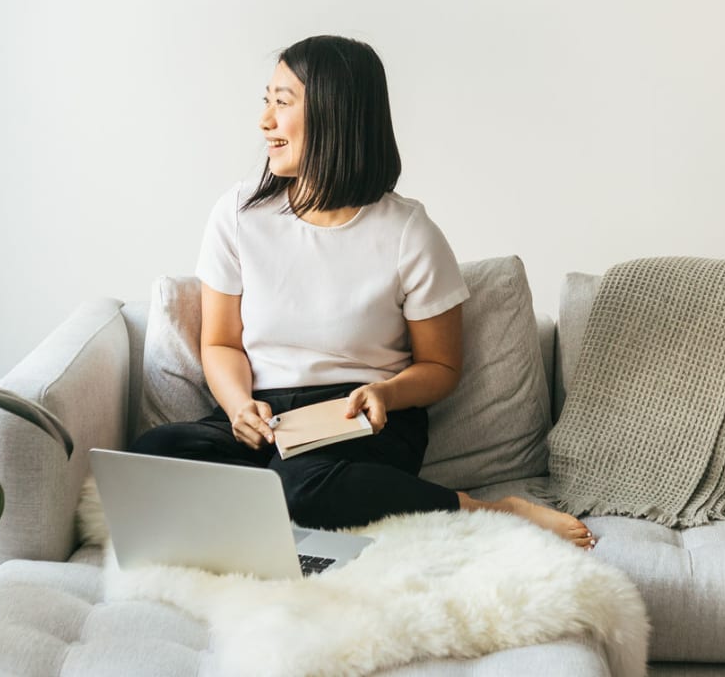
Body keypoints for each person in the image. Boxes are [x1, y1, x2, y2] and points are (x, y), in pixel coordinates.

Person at [131, 35, 595, 549]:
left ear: (335, 116)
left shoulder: (408, 232)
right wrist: (240, 406)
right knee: (155, 451)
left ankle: (486, 510)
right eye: (266, 100)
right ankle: (265, 508)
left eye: (281, 103)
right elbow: (220, 343)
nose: (264, 121)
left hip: (363, 421)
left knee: (301, 488)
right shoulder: (238, 215)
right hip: (264, 418)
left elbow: (441, 366)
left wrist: (385, 393)